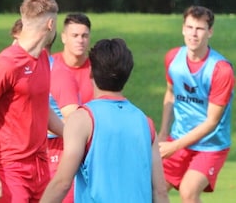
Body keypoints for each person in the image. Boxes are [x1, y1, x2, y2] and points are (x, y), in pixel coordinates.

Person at [40, 38, 170, 203]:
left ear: (91, 72)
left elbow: (62, 184)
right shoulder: (145, 122)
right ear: (127, 74)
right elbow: (160, 192)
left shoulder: (82, 119)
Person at [0, 0, 63, 202]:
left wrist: (75, 135)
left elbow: (41, 109)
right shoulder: (7, 64)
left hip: (41, 166)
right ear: (50, 24)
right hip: (11, 170)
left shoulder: (43, 58)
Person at [158, 5, 233, 202]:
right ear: (183, 29)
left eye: (199, 29)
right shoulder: (173, 58)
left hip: (211, 144)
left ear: (210, 32)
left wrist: (173, 147)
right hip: (179, 137)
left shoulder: (221, 70)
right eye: (190, 27)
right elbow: (170, 94)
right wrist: (164, 133)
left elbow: (211, 122)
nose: (193, 34)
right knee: (154, 189)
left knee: (188, 192)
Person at [47, 13, 93, 203]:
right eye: (75, 35)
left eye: (84, 35)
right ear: (64, 37)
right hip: (48, 145)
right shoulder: (49, 66)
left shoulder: (97, 73)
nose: (80, 40)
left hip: (82, 146)